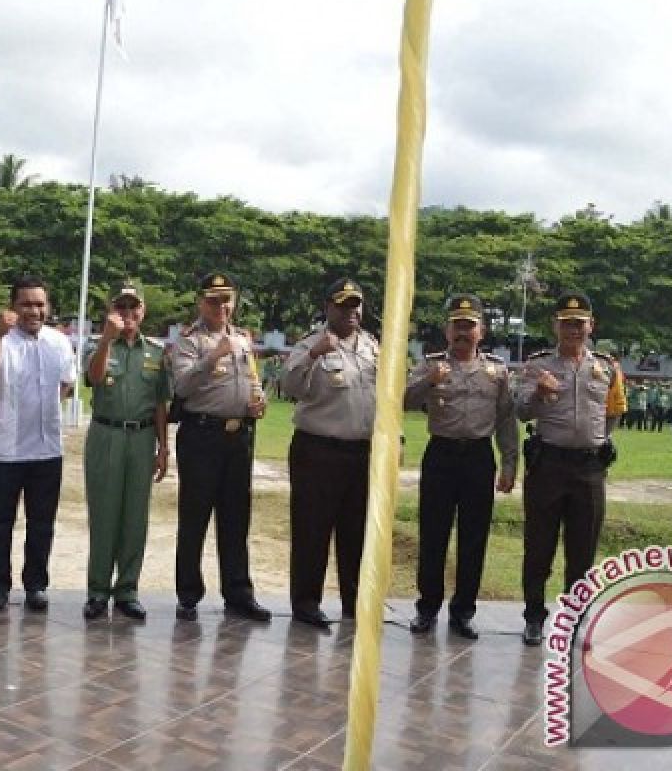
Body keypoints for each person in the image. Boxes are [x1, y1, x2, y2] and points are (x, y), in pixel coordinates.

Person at [403, 294, 518, 640]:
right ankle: (427, 608)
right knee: (433, 535)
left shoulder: (496, 372)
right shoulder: (431, 365)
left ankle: (463, 611)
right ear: (447, 330)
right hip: (441, 456)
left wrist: (510, 463)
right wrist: (429, 382)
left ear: (481, 331)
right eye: (457, 326)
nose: (463, 332)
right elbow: (404, 401)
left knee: (473, 538)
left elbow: (506, 420)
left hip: (479, 458)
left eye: (470, 326)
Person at [514, 291, 625, 646]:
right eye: (566, 324)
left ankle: (574, 620)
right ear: (555, 326)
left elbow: (614, 412)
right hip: (548, 465)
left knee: (582, 550)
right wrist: (537, 394)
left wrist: (595, 441)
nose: (573, 330)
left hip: (589, 470)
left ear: (591, 326)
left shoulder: (607, 367)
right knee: (538, 548)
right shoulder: (537, 365)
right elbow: (520, 411)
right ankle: (534, 617)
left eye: (579, 324)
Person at [169, 272, 270, 622]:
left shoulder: (243, 338)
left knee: (236, 518)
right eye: (214, 300)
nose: (222, 306)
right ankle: (188, 593)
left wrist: (259, 403)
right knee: (195, 517)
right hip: (202, 436)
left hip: (239, 437)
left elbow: (254, 381)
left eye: (227, 299)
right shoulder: (189, 341)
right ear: (201, 303)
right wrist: (212, 356)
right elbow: (181, 386)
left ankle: (238, 593)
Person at [282, 279, 380, 627]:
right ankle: (306, 602)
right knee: (312, 530)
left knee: (357, 532)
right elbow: (288, 386)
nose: (351, 312)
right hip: (318, 450)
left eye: (356, 305)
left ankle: (356, 603)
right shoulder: (311, 344)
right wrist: (313, 355)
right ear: (329, 308)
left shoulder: (372, 347)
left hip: (361, 453)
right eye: (343, 305)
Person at [0, 276, 77, 613]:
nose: (34, 310)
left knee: (41, 524)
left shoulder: (59, 342)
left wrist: (48, 411)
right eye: (26, 304)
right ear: (13, 307)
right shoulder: (3, 340)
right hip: (5, 450)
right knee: (0, 523)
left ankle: (35, 585)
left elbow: (67, 383)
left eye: (39, 304)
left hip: (47, 450)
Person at [82, 281, 170, 621]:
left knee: (135, 517)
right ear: (111, 311)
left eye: (134, 307)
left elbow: (160, 403)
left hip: (142, 437)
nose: (128, 313)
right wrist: (107, 338)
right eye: (121, 307)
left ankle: (127, 590)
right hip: (106, 434)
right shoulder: (97, 344)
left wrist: (163, 447)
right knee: (104, 515)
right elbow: (93, 375)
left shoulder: (157, 352)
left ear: (143, 311)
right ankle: (97, 591)